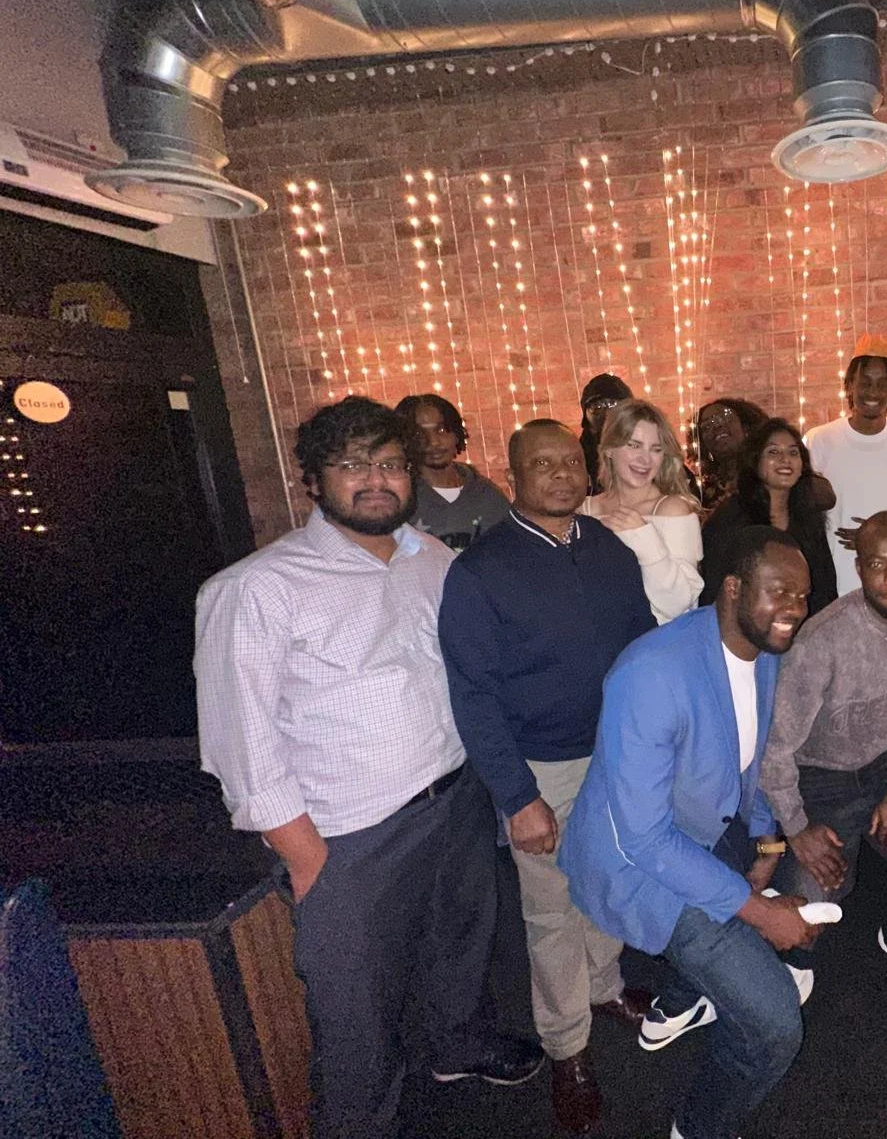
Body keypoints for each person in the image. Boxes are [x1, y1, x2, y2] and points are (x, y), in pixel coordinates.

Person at [195, 397, 540, 1139]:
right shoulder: (257, 588)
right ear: (312, 480)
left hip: (455, 799)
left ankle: (455, 1048)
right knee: (357, 1016)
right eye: (353, 465)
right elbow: (240, 742)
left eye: (390, 464)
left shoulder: (433, 559)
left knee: (460, 950)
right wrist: (307, 857)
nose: (376, 480)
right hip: (351, 837)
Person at [559, 528, 818, 1139]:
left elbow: (752, 759)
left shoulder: (765, 652)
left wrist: (767, 843)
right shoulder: (650, 674)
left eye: (803, 595)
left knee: (807, 877)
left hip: (711, 826)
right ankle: (697, 1128)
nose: (795, 609)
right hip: (641, 866)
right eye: (779, 591)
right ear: (733, 589)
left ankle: (676, 1004)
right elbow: (645, 841)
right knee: (775, 1024)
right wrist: (758, 910)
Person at [437, 418, 656, 1134]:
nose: (562, 475)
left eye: (571, 462)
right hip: (541, 767)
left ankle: (604, 986)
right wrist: (518, 797)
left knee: (610, 880)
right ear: (514, 476)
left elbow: (643, 646)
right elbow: (472, 696)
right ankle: (567, 1046)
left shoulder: (609, 549)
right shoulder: (481, 571)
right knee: (553, 909)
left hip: (615, 755)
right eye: (543, 464)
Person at [759, 511, 887, 993]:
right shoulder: (822, 640)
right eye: (878, 565)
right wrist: (797, 827)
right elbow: (775, 748)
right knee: (813, 899)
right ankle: (791, 958)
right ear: (859, 569)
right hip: (819, 778)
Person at [805, 333, 887, 595]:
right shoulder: (818, 440)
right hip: (830, 581)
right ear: (849, 385)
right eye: (865, 382)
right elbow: (804, 510)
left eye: (882, 384)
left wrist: (876, 536)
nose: (873, 392)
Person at [699, 418, 837, 619]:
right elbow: (714, 592)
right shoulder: (729, 518)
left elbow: (824, 589)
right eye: (773, 452)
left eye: (793, 453)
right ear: (755, 461)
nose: (785, 459)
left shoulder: (808, 516)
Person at [581, 399, 703, 623]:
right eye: (634, 445)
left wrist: (643, 537)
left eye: (656, 449)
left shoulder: (671, 510)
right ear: (609, 449)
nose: (645, 459)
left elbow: (678, 603)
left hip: (655, 639)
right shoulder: (585, 509)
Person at [394, 392, 511, 551]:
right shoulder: (399, 500)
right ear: (405, 440)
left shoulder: (487, 495)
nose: (433, 442)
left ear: (456, 434)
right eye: (419, 434)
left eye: (441, 430)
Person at [695, 398, 770, 512]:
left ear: (745, 428)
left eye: (725, 418)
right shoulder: (702, 491)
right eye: (707, 426)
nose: (717, 426)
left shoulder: (765, 474)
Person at [579, 373, 633, 494]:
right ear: (586, 415)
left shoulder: (650, 446)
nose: (607, 412)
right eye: (597, 406)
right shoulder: (577, 455)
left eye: (613, 404)